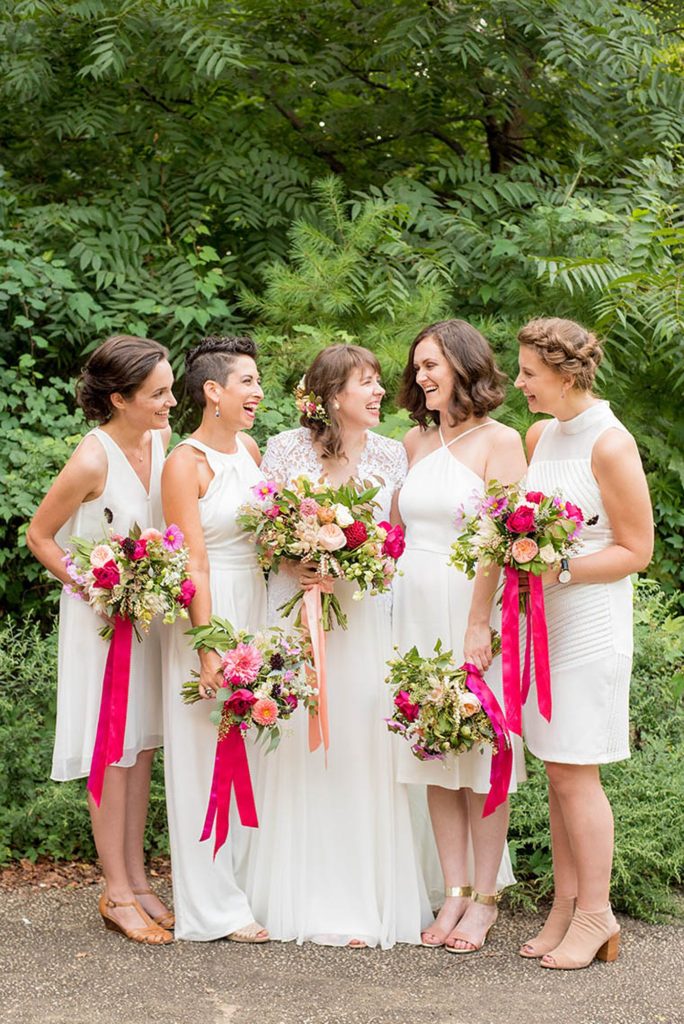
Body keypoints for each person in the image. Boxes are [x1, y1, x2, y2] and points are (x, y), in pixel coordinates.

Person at [245, 343, 432, 948]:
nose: (381, 393)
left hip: (366, 618)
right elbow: (261, 534)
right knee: (301, 747)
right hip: (300, 616)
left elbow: (397, 541)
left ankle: (364, 899)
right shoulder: (283, 449)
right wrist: (298, 559)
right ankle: (301, 894)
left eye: (379, 382)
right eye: (366, 383)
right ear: (330, 394)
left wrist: (354, 566)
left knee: (361, 746)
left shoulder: (391, 454)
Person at [27, 334, 176, 945]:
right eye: (158, 393)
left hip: (148, 619)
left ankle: (138, 880)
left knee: (139, 749)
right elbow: (40, 536)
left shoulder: (160, 440)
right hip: (102, 622)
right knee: (109, 749)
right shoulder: (92, 458)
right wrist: (95, 585)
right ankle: (114, 891)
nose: (171, 402)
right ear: (120, 398)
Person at [515, 317, 653, 969]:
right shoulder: (541, 434)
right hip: (544, 620)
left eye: (529, 375)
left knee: (577, 769)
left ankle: (597, 913)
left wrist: (558, 569)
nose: (519, 385)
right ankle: (566, 907)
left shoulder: (611, 441)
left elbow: (637, 550)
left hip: (591, 620)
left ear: (567, 375)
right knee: (556, 767)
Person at [394, 319, 527, 953]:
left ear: (465, 367)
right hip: (411, 610)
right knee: (432, 753)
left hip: (470, 610)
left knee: (479, 756)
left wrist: (480, 621)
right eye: (417, 366)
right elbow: (395, 532)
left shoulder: (500, 442)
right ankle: (451, 892)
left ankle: (485, 899)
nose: (422, 376)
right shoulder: (414, 441)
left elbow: (501, 536)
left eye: (433, 365)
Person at [161, 335, 269, 943]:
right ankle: (212, 907)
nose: (257, 392)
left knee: (255, 752)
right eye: (247, 382)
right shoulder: (186, 463)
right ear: (213, 392)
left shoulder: (249, 449)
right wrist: (207, 647)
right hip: (212, 612)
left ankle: (249, 886)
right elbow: (192, 562)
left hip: (257, 605)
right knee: (207, 758)